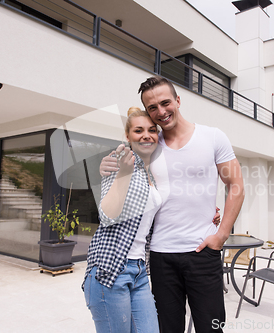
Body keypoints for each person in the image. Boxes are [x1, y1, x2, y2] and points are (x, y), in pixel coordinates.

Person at [100, 77, 245, 333]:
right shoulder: (149, 146)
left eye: (165, 103)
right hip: (160, 255)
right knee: (168, 329)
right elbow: (122, 170)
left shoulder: (213, 137)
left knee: (211, 328)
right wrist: (105, 165)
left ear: (178, 100)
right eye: (152, 107)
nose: (161, 112)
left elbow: (236, 186)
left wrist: (221, 234)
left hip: (203, 251)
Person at [83, 107, 161, 333]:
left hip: (139, 271)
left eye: (152, 130)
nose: (146, 135)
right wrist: (123, 174)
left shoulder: (152, 175)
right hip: (110, 268)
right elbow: (107, 216)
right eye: (138, 130)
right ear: (127, 137)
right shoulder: (118, 162)